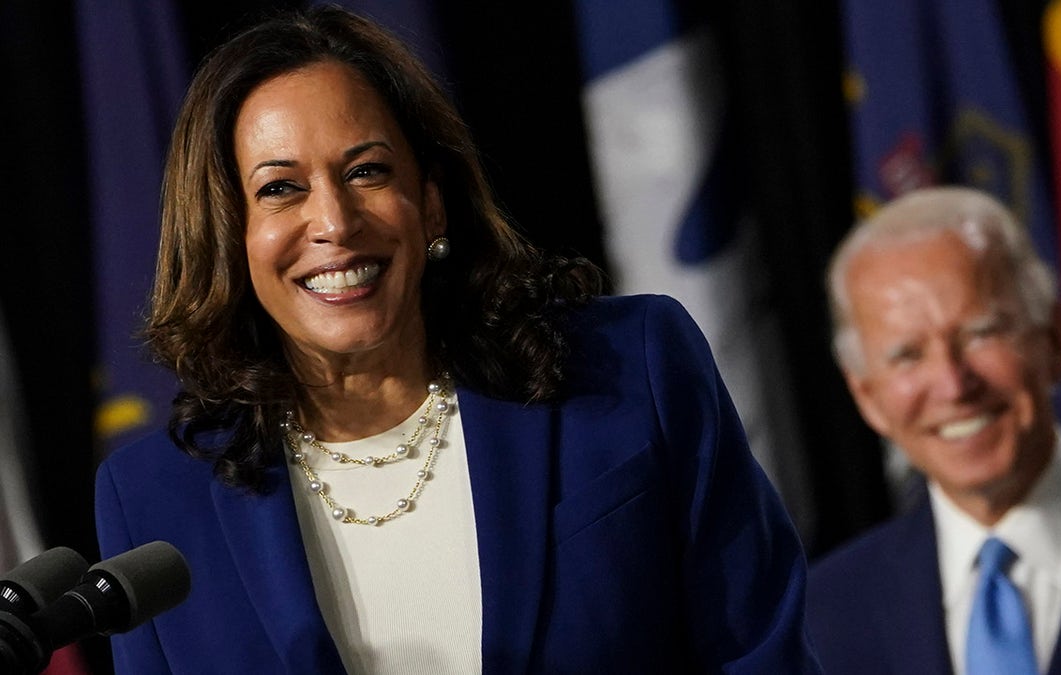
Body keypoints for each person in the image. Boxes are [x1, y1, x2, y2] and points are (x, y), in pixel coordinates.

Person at [92, 6, 820, 674]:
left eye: (366, 171)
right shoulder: (155, 501)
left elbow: (759, 652)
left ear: (431, 202)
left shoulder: (631, 371)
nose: (336, 223)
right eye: (280, 188)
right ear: (229, 235)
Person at [806, 186, 1061, 674]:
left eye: (980, 334)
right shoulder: (824, 617)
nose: (953, 384)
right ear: (867, 397)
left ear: (1052, 340)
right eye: (908, 355)